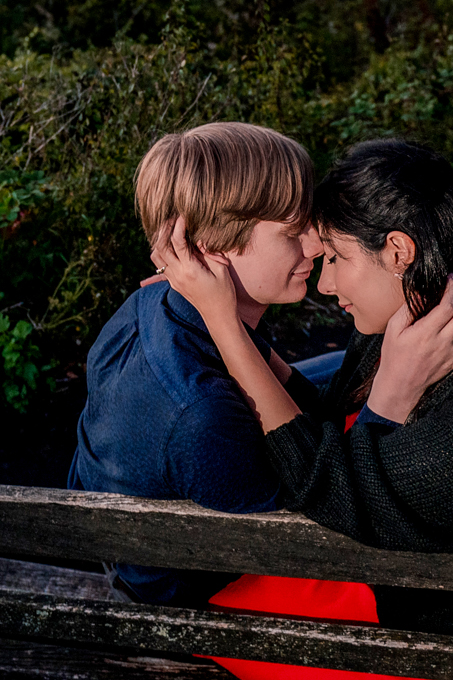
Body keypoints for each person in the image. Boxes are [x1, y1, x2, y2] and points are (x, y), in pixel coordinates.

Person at [155, 138, 453, 674]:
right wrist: (229, 320)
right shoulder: (433, 308)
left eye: (336, 258)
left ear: (398, 251)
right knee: (211, 617)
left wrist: (224, 322)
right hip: (423, 582)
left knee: (211, 626)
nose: (326, 280)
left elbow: (328, 491)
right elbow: (331, 426)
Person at [67, 121, 329, 604]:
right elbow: (319, 516)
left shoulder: (148, 306)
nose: (315, 245)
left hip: (133, 543)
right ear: (209, 250)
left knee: (337, 367)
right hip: (197, 598)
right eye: (294, 232)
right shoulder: (201, 414)